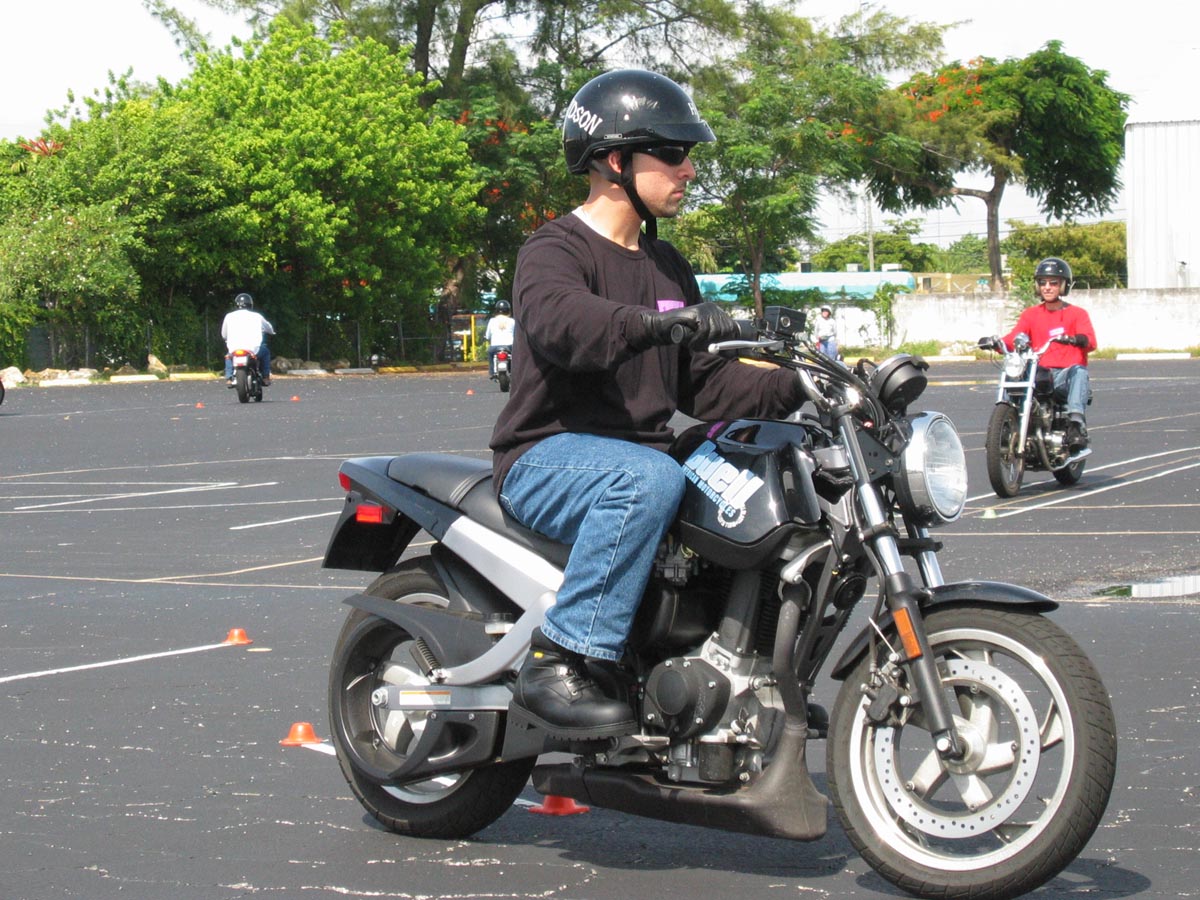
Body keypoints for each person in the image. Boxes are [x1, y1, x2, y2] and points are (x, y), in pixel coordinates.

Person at [489, 69, 808, 739]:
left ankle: (749, 674)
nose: (688, 169)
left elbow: (702, 385)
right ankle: (559, 657)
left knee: (769, 468)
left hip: (638, 457)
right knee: (649, 478)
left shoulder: (667, 265)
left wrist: (801, 388)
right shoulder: (553, 250)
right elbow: (565, 325)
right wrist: (657, 325)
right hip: (546, 457)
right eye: (672, 153)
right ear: (614, 160)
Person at [982, 257, 1097, 450]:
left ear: (1063, 286)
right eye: (1043, 283)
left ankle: (1076, 425)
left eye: (1053, 283)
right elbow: (1015, 337)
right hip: (1038, 372)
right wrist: (996, 343)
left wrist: (1078, 339)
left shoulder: (1077, 314)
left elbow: (1091, 341)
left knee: (1079, 371)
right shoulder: (1031, 314)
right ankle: (1002, 428)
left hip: (1063, 376)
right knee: (1013, 376)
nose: (1047, 287)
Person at [221, 292, 275, 387]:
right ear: (250, 304)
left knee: (229, 356)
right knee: (265, 352)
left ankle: (229, 377)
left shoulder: (229, 316)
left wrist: (227, 338)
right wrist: (272, 332)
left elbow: (223, 334)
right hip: (253, 349)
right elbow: (268, 327)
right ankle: (265, 377)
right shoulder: (257, 316)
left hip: (234, 349)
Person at [485, 300, 515, 377]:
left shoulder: (492, 321)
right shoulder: (512, 321)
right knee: (515, 356)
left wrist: (487, 338)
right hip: (509, 346)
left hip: (494, 347)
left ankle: (492, 372)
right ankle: (514, 371)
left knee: (490, 354)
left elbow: (487, 335)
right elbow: (516, 334)